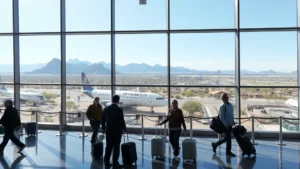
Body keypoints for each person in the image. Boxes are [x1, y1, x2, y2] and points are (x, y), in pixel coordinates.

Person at [102, 95, 127, 168]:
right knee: (116, 147)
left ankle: (106, 160)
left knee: (108, 146)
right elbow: (122, 120)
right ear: (118, 100)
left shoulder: (106, 109)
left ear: (112, 100)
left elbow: (103, 120)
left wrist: (104, 128)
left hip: (108, 130)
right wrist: (124, 128)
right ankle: (115, 162)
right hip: (117, 131)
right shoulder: (119, 109)